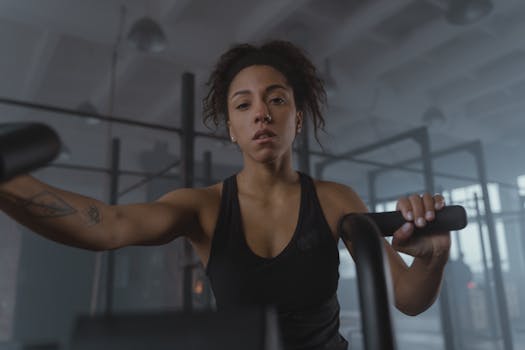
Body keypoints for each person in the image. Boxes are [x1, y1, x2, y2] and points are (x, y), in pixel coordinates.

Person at [0, 40, 450, 350]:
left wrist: (431, 260)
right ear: (231, 130)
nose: (261, 114)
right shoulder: (204, 208)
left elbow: (409, 298)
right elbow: (108, 225)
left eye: (276, 100)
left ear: (297, 118)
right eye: (243, 105)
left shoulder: (336, 200)